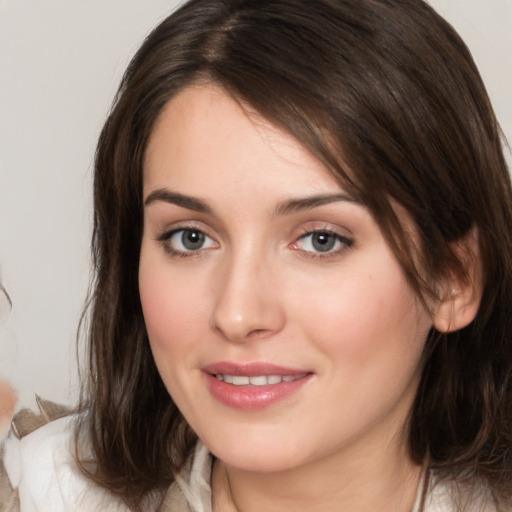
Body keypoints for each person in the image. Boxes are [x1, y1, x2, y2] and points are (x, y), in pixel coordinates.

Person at [2, 0, 512, 510]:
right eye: (190, 237)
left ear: (453, 278)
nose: (237, 314)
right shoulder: (35, 494)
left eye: (320, 239)